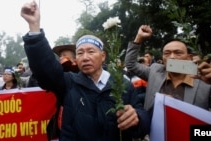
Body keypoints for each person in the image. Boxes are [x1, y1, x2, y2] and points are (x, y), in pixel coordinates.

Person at [20, 1, 150, 141]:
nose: (85, 57)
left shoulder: (123, 85)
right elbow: (46, 69)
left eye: (91, 51)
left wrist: (138, 118)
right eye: (80, 53)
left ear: (103, 56)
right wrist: (34, 28)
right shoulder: (68, 83)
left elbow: (143, 122)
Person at [125, 25, 211, 120]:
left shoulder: (205, 81)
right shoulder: (155, 71)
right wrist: (139, 38)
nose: (172, 57)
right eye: (167, 53)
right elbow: (130, 64)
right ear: (162, 59)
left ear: (189, 58)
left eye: (178, 53)